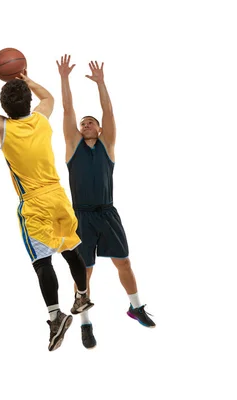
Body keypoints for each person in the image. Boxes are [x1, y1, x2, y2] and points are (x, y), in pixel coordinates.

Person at [0, 52, 94, 351]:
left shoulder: (3, 129)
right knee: (70, 248)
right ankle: (82, 294)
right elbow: (49, 98)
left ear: (5, 108)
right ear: (29, 102)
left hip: (35, 203)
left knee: (42, 260)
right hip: (59, 196)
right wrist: (27, 79)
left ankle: (56, 317)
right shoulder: (42, 120)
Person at [56, 54, 156, 349]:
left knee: (123, 261)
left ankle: (135, 307)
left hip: (107, 213)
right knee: (84, 271)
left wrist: (101, 83)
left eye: (91, 122)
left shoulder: (107, 146)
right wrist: (64, 78)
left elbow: (108, 111)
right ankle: (85, 323)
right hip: (81, 216)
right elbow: (67, 109)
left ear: (99, 130)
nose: (86, 123)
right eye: (83, 122)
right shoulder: (73, 146)